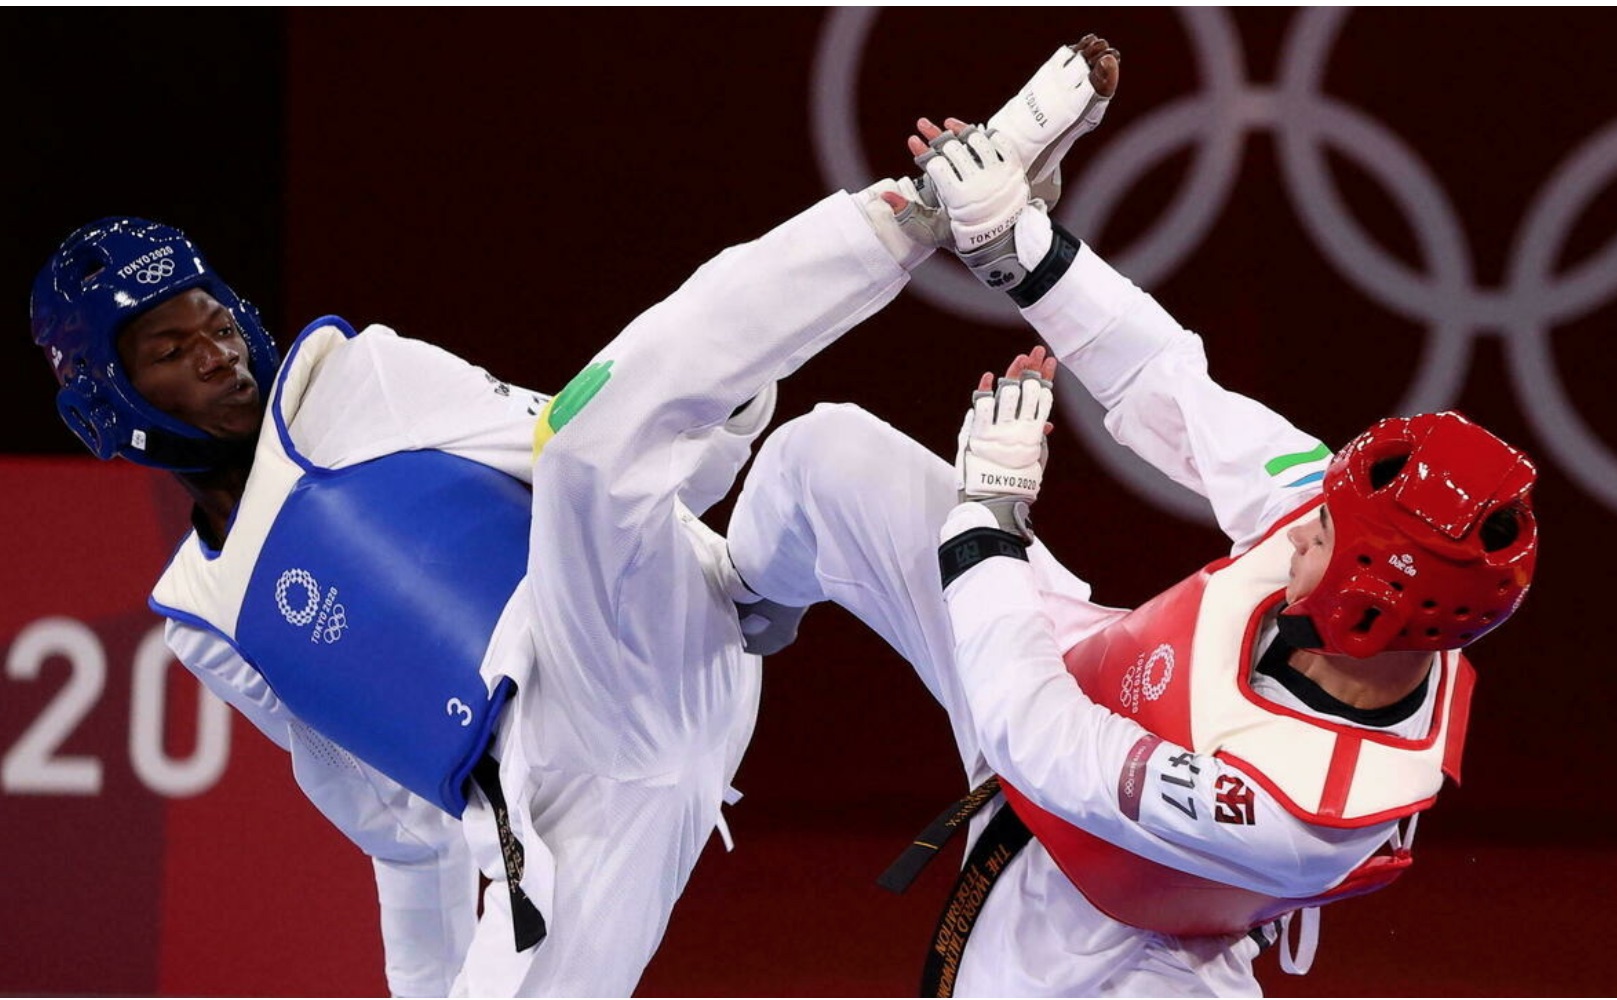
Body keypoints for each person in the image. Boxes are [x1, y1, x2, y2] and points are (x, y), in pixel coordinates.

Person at [28, 37, 1122, 998]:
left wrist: (715, 454)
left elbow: (589, 447)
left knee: (788, 452)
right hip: (569, 819)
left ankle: (923, 213)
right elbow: (384, 823)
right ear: (109, 403)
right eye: (171, 351)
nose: (217, 353)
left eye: (213, 320)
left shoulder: (358, 381)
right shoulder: (204, 616)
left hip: (619, 637)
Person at [725, 112, 1539, 996]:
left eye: (1323, 532)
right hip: (1063, 661)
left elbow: (1038, 738)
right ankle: (737, 615)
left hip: (1121, 929)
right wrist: (1017, 243)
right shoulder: (1356, 543)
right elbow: (1166, 383)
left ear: (1368, 598)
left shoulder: (1311, 802)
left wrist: (991, 522)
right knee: (827, 458)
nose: (1302, 519)